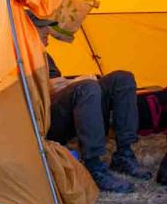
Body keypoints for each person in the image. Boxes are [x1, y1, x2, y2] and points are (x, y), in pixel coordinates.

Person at [29, 12, 150, 193]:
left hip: (63, 113)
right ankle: (94, 166)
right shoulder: (17, 56)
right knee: (87, 87)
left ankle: (124, 154)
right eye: (41, 27)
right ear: (26, 31)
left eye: (47, 25)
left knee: (122, 78)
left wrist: (77, 82)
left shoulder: (44, 55)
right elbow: (48, 88)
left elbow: (58, 83)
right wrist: (79, 81)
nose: (48, 30)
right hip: (43, 124)